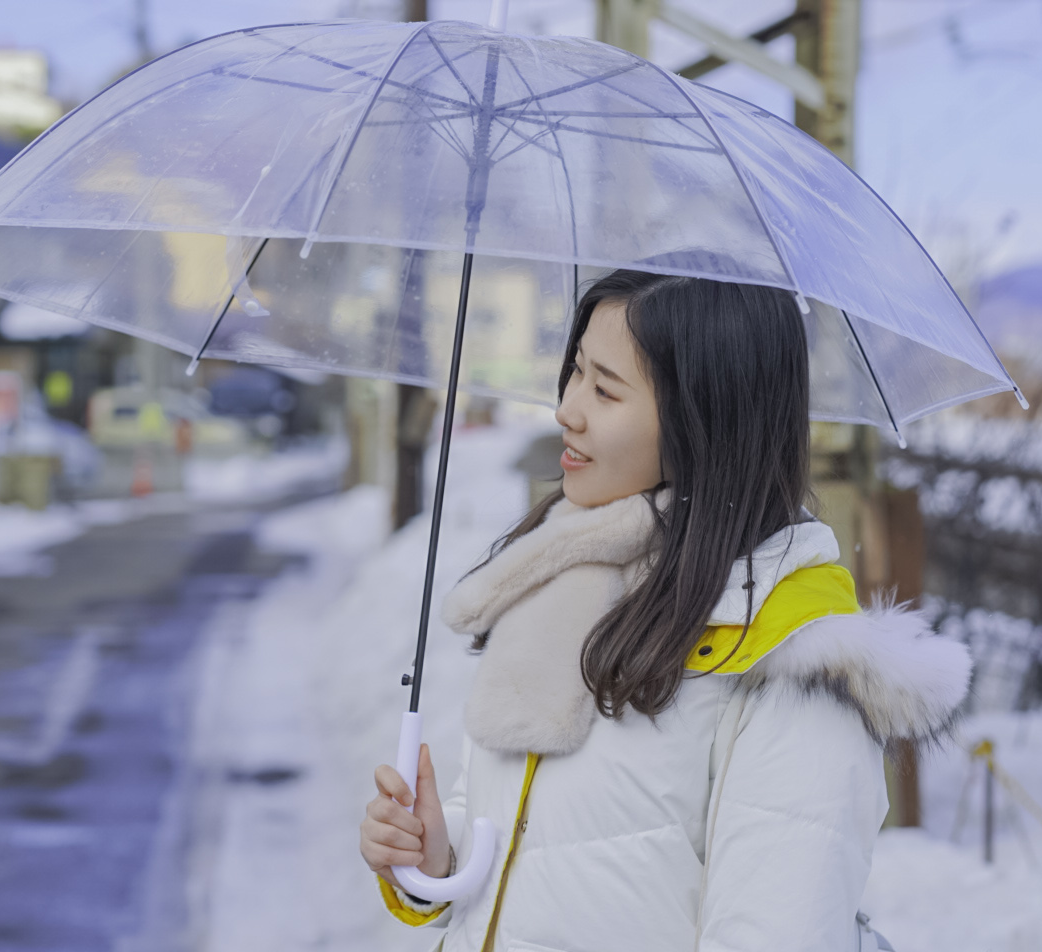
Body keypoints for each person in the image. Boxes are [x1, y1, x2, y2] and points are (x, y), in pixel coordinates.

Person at [359, 269, 971, 952]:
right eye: (575, 373)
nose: (567, 408)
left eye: (605, 388)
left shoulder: (791, 660)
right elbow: (542, 856)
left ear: (699, 420)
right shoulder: (560, 581)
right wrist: (437, 861)